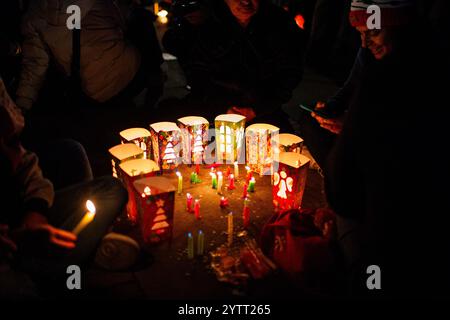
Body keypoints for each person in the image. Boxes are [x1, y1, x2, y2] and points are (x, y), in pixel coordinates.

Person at [322, 0, 450, 297]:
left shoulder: (386, 77)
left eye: (374, 31)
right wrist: (340, 117)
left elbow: (343, 183)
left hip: (396, 227)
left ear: (401, 25)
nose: (365, 43)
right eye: (359, 33)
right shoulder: (430, 59)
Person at [0, 76, 128, 298]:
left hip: (15, 209)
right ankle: (66, 275)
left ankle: (66, 257)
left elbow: (23, 159)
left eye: (10, 142)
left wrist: (36, 210)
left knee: (84, 164)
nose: (11, 156)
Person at [162, 0, 306, 127]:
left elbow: (290, 73)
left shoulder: (278, 22)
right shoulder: (206, 21)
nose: (245, 2)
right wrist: (222, 108)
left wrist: (257, 109)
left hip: (262, 110)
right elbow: (197, 75)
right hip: (211, 108)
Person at [15, 0, 164, 113]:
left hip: (92, 93)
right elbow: (123, 19)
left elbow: (35, 65)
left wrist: (23, 103)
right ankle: (155, 80)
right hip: (131, 74)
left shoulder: (33, 17)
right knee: (141, 18)